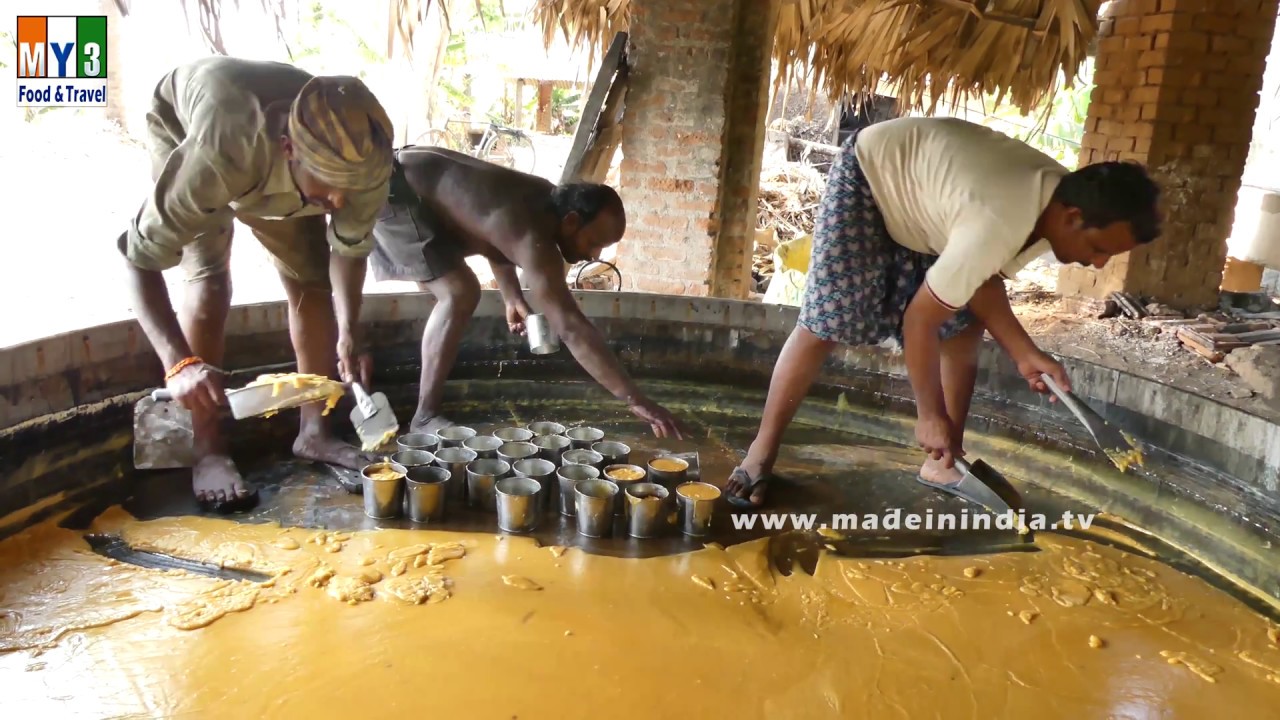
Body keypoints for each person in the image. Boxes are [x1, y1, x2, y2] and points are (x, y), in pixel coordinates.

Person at [725, 116, 1161, 508]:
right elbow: (921, 320)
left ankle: (943, 457)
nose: (1099, 264)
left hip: (935, 202)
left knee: (963, 326)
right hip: (875, 174)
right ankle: (760, 453)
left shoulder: (1060, 201)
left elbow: (979, 280)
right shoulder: (1003, 217)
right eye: (1100, 249)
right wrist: (928, 413)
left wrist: (1026, 354)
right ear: (1073, 218)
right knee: (827, 321)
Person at [118, 56, 396, 513]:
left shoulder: (362, 165)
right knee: (209, 281)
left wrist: (349, 332)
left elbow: (347, 252)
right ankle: (207, 449)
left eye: (352, 188)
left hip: (283, 174)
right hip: (192, 125)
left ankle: (314, 432)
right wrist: (178, 364)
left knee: (311, 282)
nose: (340, 202)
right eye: (330, 186)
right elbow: (137, 261)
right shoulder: (217, 153)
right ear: (288, 148)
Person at [367, 146, 682, 439]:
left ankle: (426, 409)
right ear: (572, 222)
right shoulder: (534, 238)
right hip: (394, 191)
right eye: (594, 243)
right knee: (459, 292)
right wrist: (634, 398)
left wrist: (511, 295)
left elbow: (491, 233)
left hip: (408, 175)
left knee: (461, 290)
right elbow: (571, 328)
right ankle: (425, 416)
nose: (594, 256)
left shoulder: (545, 199)